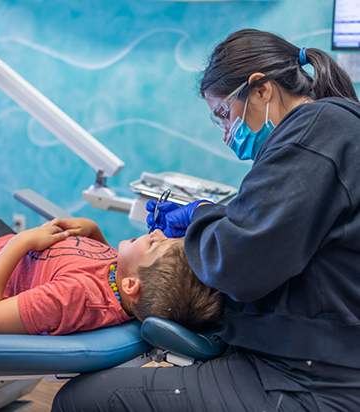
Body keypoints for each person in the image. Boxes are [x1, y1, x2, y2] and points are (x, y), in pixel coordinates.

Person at [52, 29, 360, 411]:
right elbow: (273, 232)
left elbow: (238, 263)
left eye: (223, 114)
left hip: (311, 381)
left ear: (261, 89)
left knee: (79, 400)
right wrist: (211, 217)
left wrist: (200, 216)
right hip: (310, 360)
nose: (227, 133)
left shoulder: (315, 132)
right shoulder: (323, 133)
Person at [0, 189, 224, 336]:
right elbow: (104, 271)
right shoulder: (121, 282)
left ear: (131, 285)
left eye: (154, 244)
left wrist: (21, 243)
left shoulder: (73, 298)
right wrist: (92, 229)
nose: (156, 232)